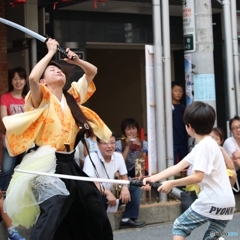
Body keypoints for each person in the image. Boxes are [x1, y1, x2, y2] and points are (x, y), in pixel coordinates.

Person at [3, 38, 113, 240]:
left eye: (60, 70)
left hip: (69, 162)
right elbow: (33, 78)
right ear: (45, 81)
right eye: (51, 70)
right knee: (55, 203)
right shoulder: (40, 97)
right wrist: (50, 52)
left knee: (93, 203)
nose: (58, 71)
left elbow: (92, 72)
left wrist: (77, 61)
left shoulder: (72, 97)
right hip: (46, 163)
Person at [142, 101, 235, 240]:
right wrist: (153, 178)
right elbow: (178, 167)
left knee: (180, 226)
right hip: (227, 203)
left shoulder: (204, 146)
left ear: (189, 127)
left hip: (212, 201)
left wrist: (171, 184)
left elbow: (198, 177)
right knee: (213, 237)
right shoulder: (207, 144)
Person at [83, 133, 146, 229]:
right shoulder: (91, 158)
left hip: (114, 192)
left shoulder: (118, 156)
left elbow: (124, 177)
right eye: (105, 143)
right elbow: (90, 184)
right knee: (95, 197)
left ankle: (127, 218)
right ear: (98, 145)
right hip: (98, 194)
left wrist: (124, 187)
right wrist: (107, 193)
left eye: (112, 143)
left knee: (136, 186)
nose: (109, 146)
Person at [0, 67, 28, 192]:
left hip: (26, 141)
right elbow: (5, 120)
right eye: (15, 79)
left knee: (24, 171)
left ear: (25, 81)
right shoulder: (5, 98)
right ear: (11, 81)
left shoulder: (28, 98)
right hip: (10, 141)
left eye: (21, 78)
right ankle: (3, 198)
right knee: (6, 170)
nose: (18, 82)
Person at [171, 81, 189, 177]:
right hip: (172, 141)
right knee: (172, 163)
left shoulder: (184, 107)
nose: (178, 93)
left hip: (183, 139)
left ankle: (184, 185)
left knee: (184, 163)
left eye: (180, 91)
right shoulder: (167, 106)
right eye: (175, 91)